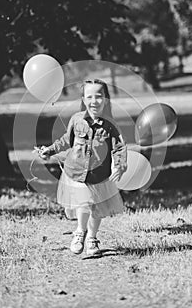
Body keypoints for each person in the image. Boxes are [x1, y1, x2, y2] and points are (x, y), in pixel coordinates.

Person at [37, 79, 127, 256]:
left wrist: (120, 165)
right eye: (89, 96)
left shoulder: (110, 126)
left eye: (99, 96)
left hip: (99, 174)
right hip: (76, 171)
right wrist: (50, 150)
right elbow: (66, 140)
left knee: (97, 209)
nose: (94, 101)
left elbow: (119, 147)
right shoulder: (77, 120)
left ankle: (92, 239)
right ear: (84, 100)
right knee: (85, 203)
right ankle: (79, 232)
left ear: (106, 100)